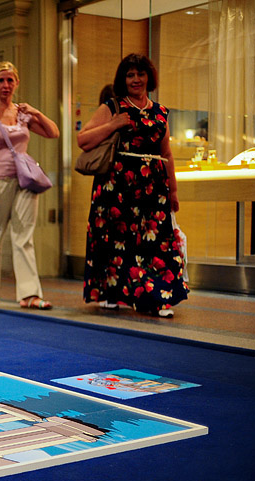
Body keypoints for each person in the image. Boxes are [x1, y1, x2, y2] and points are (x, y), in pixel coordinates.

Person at [77, 53, 189, 317]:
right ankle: (110, 292)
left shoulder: (160, 112)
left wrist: (173, 190)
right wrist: (113, 124)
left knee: (156, 242)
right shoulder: (113, 107)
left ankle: (159, 297)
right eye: (130, 75)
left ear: (149, 77)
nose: (136, 79)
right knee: (116, 241)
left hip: (153, 187)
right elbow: (83, 140)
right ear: (123, 79)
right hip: (117, 185)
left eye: (140, 74)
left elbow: (167, 153)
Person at [0, 61, 60, 309]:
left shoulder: (22, 114)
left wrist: (37, 113)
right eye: (1, 80)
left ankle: (29, 294)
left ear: (17, 83)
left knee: (24, 237)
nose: (6, 85)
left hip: (26, 180)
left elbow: (53, 133)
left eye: (10, 80)